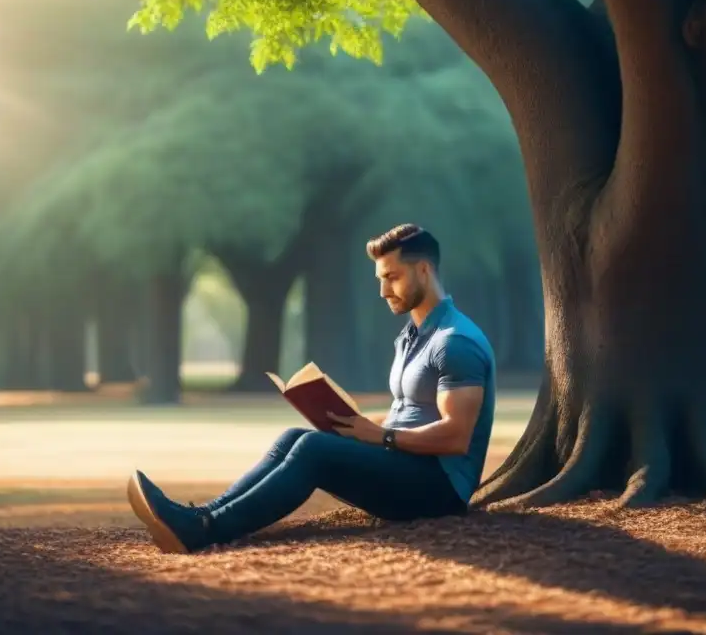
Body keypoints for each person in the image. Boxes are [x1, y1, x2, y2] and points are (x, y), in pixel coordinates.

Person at [127, 223, 497, 553]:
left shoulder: (454, 342)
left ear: (423, 269)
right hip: (404, 465)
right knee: (294, 436)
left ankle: (205, 530)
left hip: (437, 489)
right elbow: (410, 409)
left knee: (312, 450)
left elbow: (455, 436)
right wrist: (355, 425)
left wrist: (380, 436)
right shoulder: (412, 337)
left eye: (393, 277)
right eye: (380, 279)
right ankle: (205, 514)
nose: (384, 290)